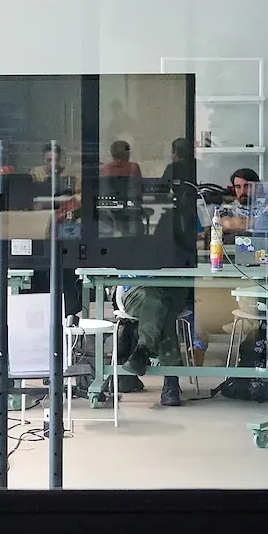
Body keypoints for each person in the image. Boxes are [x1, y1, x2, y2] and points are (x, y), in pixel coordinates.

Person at [114, 163, 201, 407]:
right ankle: (170, 383)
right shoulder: (125, 220)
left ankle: (143, 351)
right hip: (133, 292)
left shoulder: (185, 219)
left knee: (161, 299)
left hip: (173, 289)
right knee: (161, 304)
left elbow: (198, 249)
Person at [219, 167, 263, 232]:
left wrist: (240, 222)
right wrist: (263, 222)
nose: (242, 191)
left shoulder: (266, 208)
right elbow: (228, 225)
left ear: (257, 187)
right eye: (238, 187)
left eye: (247, 186)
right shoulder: (227, 209)